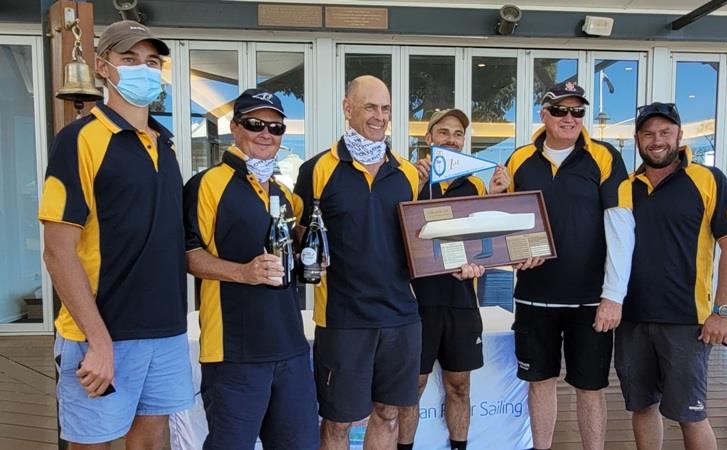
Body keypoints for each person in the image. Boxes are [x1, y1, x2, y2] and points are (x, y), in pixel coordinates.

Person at [294, 75, 481, 450]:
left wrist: (463, 261)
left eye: (385, 109)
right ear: (348, 108)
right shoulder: (317, 169)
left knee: (389, 413)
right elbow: (300, 234)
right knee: (338, 422)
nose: (379, 116)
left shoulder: (408, 174)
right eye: (369, 106)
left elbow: (426, 240)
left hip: (401, 315)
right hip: (343, 318)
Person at [39, 20, 193, 449]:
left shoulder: (166, 144)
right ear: (104, 67)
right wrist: (99, 341)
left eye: (152, 62)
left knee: (152, 439)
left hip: (165, 331)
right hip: (103, 334)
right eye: (130, 60)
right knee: (94, 443)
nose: (144, 69)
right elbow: (57, 251)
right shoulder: (79, 140)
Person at [490, 81, 634, 450]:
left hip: (590, 300)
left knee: (591, 388)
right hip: (535, 296)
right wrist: (496, 204)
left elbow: (621, 227)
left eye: (577, 111)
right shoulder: (519, 159)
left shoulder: (604, 157)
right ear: (544, 115)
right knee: (539, 382)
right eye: (560, 110)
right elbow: (504, 223)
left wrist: (613, 295)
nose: (569, 118)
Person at [183, 89, 319, 449]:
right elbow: (188, 255)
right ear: (234, 127)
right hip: (234, 351)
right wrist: (243, 272)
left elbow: (304, 250)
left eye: (275, 128)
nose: (266, 134)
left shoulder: (285, 193)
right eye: (255, 124)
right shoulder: (206, 184)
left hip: (290, 346)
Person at [615, 102, 727, 450]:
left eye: (664, 133)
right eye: (648, 134)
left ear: (679, 135)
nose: (656, 141)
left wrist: (723, 311)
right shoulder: (625, 187)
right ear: (638, 140)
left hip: (687, 322)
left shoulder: (708, 179)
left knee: (691, 414)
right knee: (642, 407)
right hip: (631, 320)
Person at [397, 109, 487, 450]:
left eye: (458, 134)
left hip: (461, 299)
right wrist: (417, 185)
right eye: (444, 132)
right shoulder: (406, 177)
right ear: (428, 138)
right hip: (415, 302)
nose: (451, 138)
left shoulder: (475, 183)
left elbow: (484, 243)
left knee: (459, 385)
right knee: (412, 387)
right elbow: (396, 236)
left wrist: (479, 263)